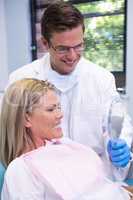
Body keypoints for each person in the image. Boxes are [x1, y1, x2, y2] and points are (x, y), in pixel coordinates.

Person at [7, 1, 133, 180]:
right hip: (43, 178)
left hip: (93, 177)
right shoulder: (21, 80)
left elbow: (117, 123)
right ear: (45, 43)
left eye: (78, 46)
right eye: (63, 49)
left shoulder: (102, 79)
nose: (73, 56)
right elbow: (12, 138)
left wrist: (121, 145)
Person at [0, 78, 132, 200]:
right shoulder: (21, 170)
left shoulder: (63, 145)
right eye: (51, 109)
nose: (60, 115)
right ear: (26, 119)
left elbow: (103, 185)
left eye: (59, 107)